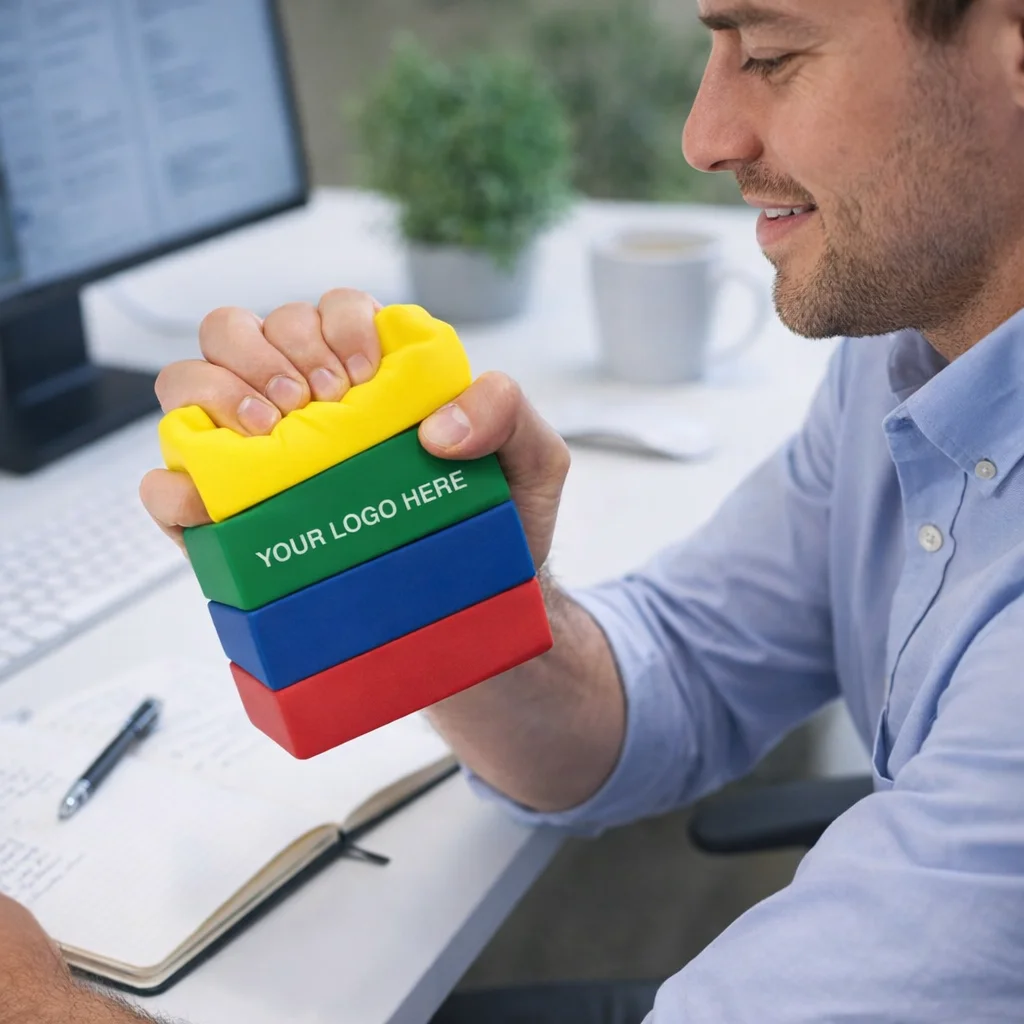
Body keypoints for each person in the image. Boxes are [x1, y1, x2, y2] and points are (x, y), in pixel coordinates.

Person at [4, 0, 1024, 1019]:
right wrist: (438, 562)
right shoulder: (913, 347)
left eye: (771, 55)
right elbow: (681, 674)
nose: (705, 136)